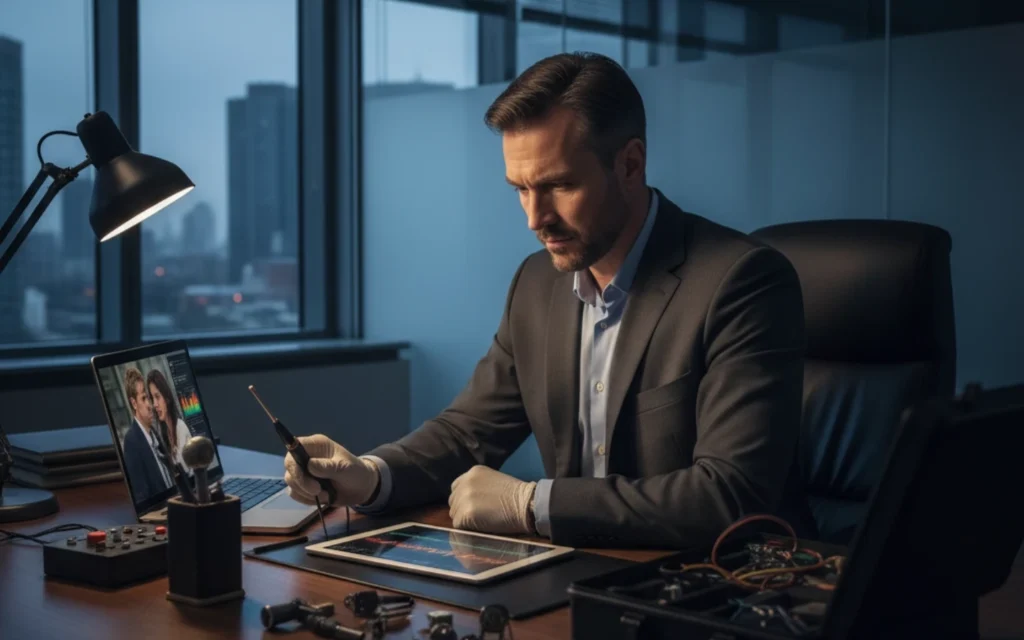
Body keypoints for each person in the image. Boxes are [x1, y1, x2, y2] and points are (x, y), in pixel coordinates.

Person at [284, 52, 813, 549]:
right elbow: (468, 433)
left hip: (717, 586)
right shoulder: (537, 283)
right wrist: (371, 476)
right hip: (578, 572)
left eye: (558, 185)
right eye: (520, 188)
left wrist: (529, 503)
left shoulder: (741, 282)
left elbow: (731, 495)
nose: (535, 218)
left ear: (631, 164)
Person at [121, 366, 173, 502]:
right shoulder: (131, 441)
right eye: (144, 398)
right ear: (134, 403)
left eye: (149, 398)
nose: (150, 405)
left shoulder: (154, 434)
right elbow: (142, 498)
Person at [147, 368, 192, 474]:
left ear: (166, 397)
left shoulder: (180, 427)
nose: (155, 404)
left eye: (157, 397)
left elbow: (183, 470)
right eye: (152, 398)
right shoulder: (165, 434)